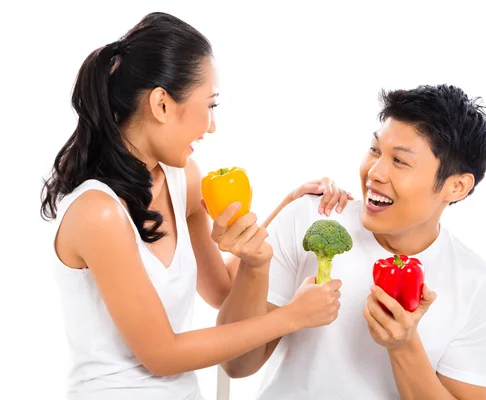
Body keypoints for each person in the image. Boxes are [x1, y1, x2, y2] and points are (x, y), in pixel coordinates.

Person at [40, 12, 351, 400]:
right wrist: (292, 317)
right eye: (210, 105)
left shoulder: (182, 181)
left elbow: (222, 290)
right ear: (162, 104)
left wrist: (288, 206)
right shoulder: (98, 212)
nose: (212, 126)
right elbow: (162, 355)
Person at [218, 84, 486, 399]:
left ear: (456, 187)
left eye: (400, 161)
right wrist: (255, 268)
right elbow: (236, 366)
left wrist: (403, 346)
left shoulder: (478, 287)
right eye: (374, 150)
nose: (375, 173)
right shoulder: (311, 218)